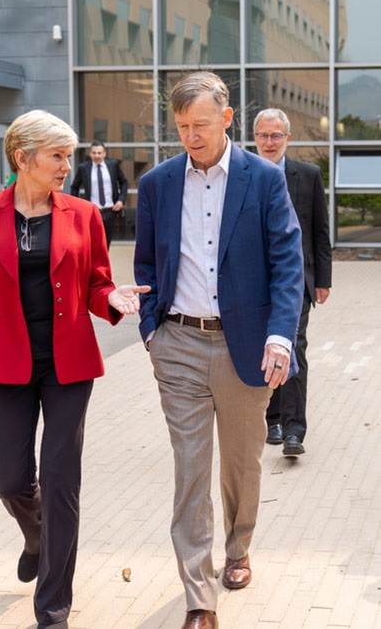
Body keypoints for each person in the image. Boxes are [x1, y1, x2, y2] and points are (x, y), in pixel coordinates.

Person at [0, 110, 149, 629]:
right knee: (9, 478)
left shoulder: (84, 214)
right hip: (7, 364)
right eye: (58, 156)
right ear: (23, 159)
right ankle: (37, 536)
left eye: (69, 155)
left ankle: (52, 609)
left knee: (62, 480)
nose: (67, 165)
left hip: (69, 364)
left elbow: (95, 283)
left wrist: (110, 296)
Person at [134, 72, 304, 629]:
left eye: (201, 124)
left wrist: (280, 336)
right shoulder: (159, 183)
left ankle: (238, 547)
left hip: (245, 346)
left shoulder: (262, 179)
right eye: (182, 127)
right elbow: (145, 265)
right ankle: (198, 596)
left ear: (228, 119)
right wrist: (151, 330)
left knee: (241, 461)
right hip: (178, 341)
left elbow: (287, 261)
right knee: (189, 468)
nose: (191, 136)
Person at [254, 108, 332, 456]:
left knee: (293, 348)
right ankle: (270, 418)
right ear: (255, 138)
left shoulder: (309, 174)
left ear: (287, 138)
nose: (269, 142)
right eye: (263, 135)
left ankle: (293, 430)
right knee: (263, 348)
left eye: (276, 136)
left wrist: (323, 278)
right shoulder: (243, 173)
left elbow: (319, 229)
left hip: (297, 280)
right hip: (254, 281)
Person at [70, 140, 128, 248]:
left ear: (104, 154)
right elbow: (74, 187)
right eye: (94, 153)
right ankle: (91, 264)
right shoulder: (83, 168)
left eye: (99, 153)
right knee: (92, 243)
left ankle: (103, 265)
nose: (97, 156)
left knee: (106, 243)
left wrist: (121, 199)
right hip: (92, 212)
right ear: (90, 153)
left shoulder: (113, 165)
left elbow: (124, 182)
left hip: (110, 211)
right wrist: (78, 207)